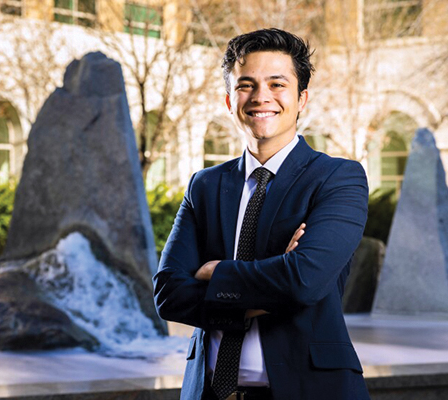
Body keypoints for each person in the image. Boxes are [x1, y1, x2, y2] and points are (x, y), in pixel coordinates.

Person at [153, 28, 371, 400]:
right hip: (208, 392)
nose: (260, 97)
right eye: (246, 85)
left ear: (302, 98)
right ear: (229, 100)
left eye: (277, 84)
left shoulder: (338, 178)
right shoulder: (203, 185)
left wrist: (215, 273)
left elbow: (304, 280)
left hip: (309, 390)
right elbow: (169, 294)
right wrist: (273, 281)